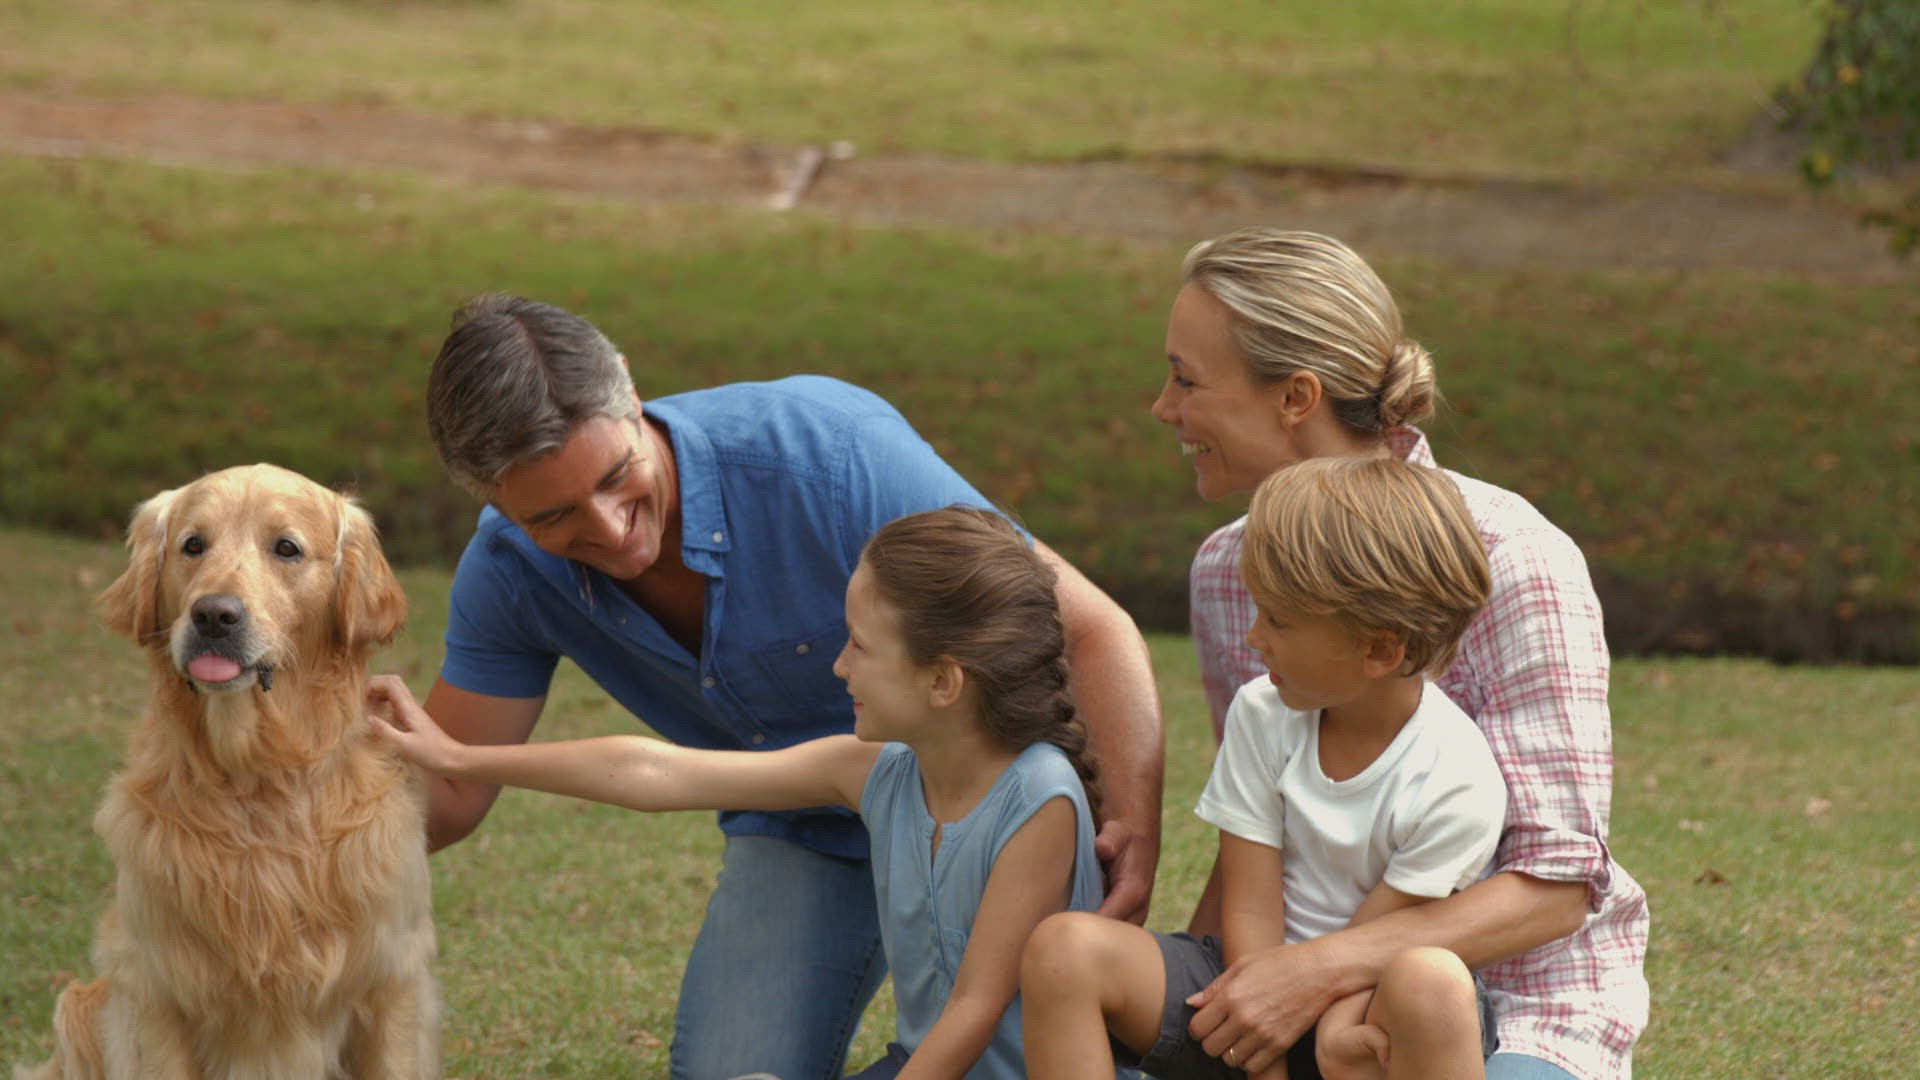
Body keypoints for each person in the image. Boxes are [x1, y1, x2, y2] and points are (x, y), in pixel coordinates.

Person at [399, 295, 1163, 1079]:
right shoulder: (862, 767)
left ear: (628, 391)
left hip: (973, 828)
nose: (610, 528)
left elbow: (1090, 628)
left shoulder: (829, 455)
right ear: (492, 502)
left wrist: (1131, 832)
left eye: (617, 476)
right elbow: (638, 773)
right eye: (555, 516)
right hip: (808, 827)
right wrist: (447, 756)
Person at [1138, 229, 1649, 1079]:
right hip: (1308, 1003)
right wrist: (1219, 1012)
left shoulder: (1513, 557)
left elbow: (1558, 887)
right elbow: (1264, 827)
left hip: (1523, 1009)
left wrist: (1313, 972)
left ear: (1296, 396)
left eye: (1186, 380)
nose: (1164, 407)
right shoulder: (1229, 570)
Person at [371, 506, 1105, 1079]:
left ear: (942, 681)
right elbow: (656, 773)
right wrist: (459, 755)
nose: (839, 666)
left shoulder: (1038, 796)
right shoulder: (878, 771)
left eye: (860, 645)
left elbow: (974, 1008)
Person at [1022, 456, 1508, 1080]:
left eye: (1279, 619)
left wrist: (1335, 1033)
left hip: (1364, 1003)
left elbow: (1369, 946)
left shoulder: (1458, 779)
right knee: (1063, 949)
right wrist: (1263, 1059)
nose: (1255, 638)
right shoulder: (1263, 712)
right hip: (1247, 980)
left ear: (1380, 649)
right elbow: (1250, 904)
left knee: (1431, 980)